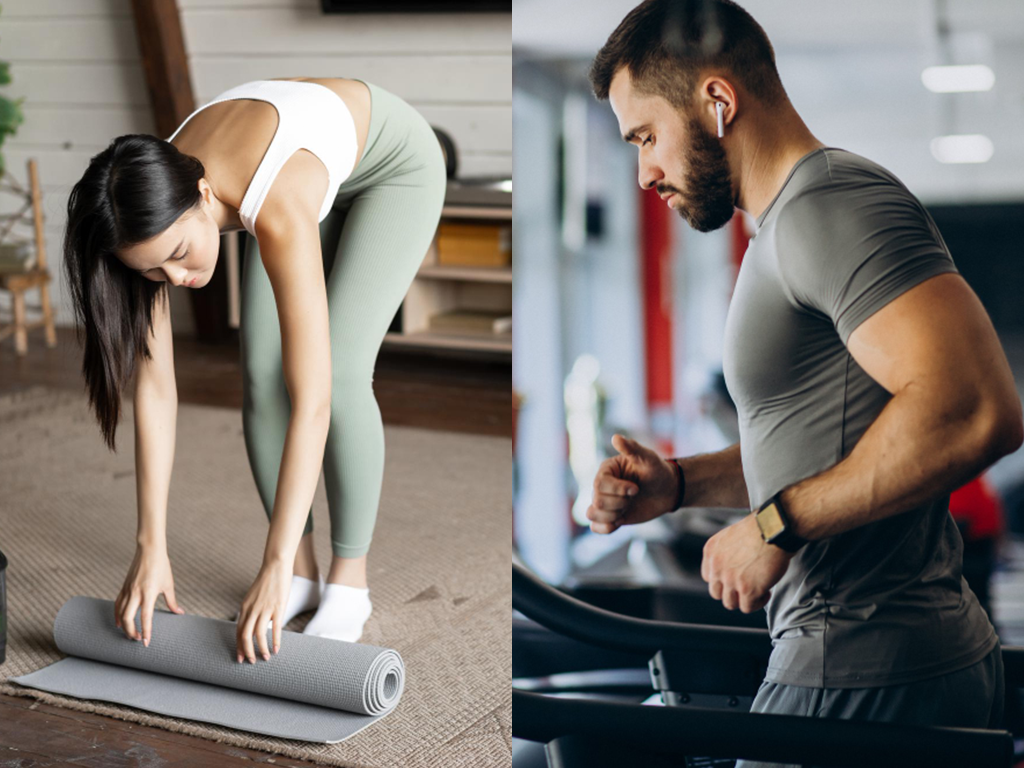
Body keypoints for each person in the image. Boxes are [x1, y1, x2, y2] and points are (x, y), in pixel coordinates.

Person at [583, 1, 1023, 763]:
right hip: (872, 657)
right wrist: (680, 485)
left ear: (717, 102)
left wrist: (773, 524)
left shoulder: (830, 207)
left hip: (863, 659)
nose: (647, 171)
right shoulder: (786, 223)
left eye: (648, 137)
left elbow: (976, 408)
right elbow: (835, 440)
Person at [62, 77, 447, 666]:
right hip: (296, 167)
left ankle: (348, 583)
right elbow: (157, 390)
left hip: (393, 168)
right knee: (261, 378)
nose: (178, 280)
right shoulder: (145, 201)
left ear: (202, 192)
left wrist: (267, 560)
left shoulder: (275, 198)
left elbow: (314, 401)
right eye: (154, 272)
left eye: (177, 256)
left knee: (337, 375)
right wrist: (150, 545)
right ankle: (303, 574)